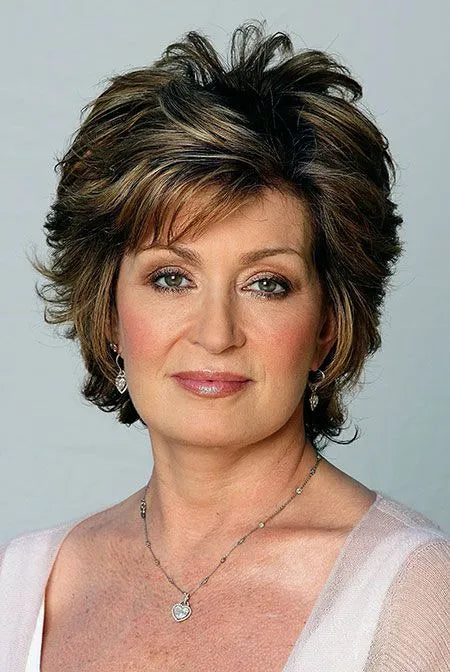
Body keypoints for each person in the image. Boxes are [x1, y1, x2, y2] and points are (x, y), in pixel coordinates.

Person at [1, 21, 448, 672]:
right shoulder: (21, 585)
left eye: (266, 284)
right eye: (171, 278)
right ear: (110, 312)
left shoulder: (417, 598)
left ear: (328, 323)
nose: (216, 334)